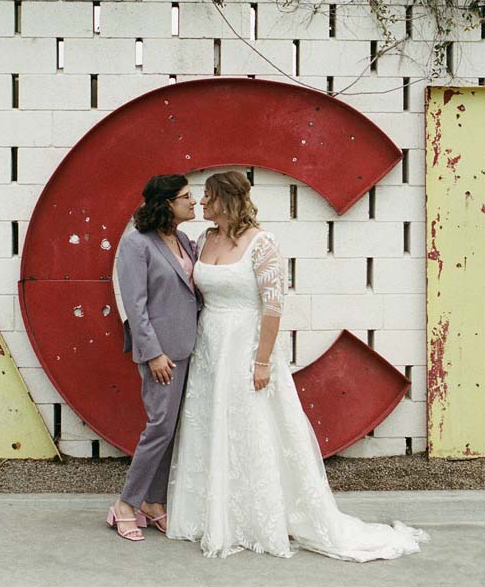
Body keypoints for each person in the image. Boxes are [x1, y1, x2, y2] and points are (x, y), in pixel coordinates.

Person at [166, 170, 428, 560]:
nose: (202, 203)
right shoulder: (203, 240)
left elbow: (273, 306)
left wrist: (261, 361)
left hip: (247, 345)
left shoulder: (262, 244)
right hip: (210, 349)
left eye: (209, 197)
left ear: (228, 200)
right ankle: (213, 514)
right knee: (211, 424)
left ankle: (260, 516)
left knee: (252, 429)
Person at [107, 174, 199, 541]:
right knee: (159, 426)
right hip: (162, 354)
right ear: (166, 203)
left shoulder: (183, 240)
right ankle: (126, 505)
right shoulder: (136, 245)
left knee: (172, 429)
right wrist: (154, 353)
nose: (194, 202)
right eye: (187, 197)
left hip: (191, 348)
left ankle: (154, 503)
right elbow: (135, 305)